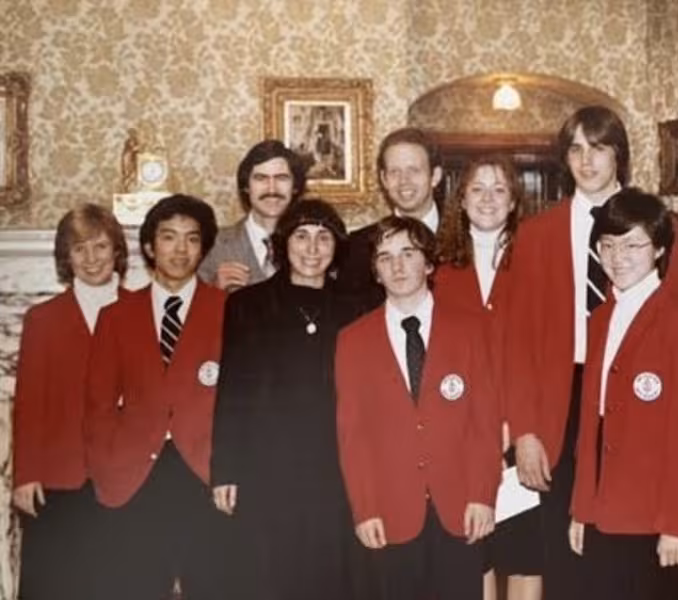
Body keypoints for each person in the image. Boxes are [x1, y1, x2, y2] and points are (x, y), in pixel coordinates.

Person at [504, 105, 678, 600]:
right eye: (576, 149)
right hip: (559, 408)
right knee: (567, 549)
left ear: (619, 155)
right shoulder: (537, 234)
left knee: (638, 557)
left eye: (599, 148)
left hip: (639, 405)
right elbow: (517, 345)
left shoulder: (656, 223)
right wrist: (524, 431)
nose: (586, 161)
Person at [335, 216, 501, 599]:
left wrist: (482, 494)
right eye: (385, 257)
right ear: (375, 271)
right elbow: (353, 435)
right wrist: (365, 509)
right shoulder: (353, 341)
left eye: (408, 253)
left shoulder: (471, 330)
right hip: (391, 510)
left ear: (429, 263)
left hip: (460, 506)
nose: (397, 266)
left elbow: (485, 423)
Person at [211, 199, 363, 600]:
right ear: (283, 243)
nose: (312, 248)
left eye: (323, 237)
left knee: (329, 579)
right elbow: (233, 391)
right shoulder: (247, 305)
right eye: (301, 236)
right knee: (268, 580)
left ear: (337, 248)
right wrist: (225, 469)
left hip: (334, 472)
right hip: (267, 471)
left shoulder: (357, 309)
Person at [567, 189, 678, 599]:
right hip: (604, 514)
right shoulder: (599, 320)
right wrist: (582, 509)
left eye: (633, 244)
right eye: (608, 245)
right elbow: (591, 423)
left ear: (660, 248)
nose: (618, 256)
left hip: (656, 521)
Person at [84, 194, 227, 600]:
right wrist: (105, 472)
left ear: (204, 248)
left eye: (192, 239)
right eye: (169, 237)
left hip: (204, 473)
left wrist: (232, 472)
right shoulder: (116, 318)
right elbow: (97, 406)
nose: (180, 250)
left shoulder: (230, 310)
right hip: (135, 475)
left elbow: (242, 404)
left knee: (211, 583)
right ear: (149, 246)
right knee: (139, 584)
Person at [433, 155, 542, 600]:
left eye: (500, 189)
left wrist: (516, 428)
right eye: (477, 189)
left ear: (515, 200)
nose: (488, 199)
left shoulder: (537, 262)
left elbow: (541, 355)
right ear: (460, 200)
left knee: (524, 554)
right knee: (474, 552)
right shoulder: (438, 268)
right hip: (461, 437)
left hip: (526, 435)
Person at [12, 204, 130, 600]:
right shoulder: (42, 320)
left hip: (125, 479)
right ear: (66, 257)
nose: (92, 259)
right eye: (79, 249)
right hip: (59, 479)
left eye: (100, 246)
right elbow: (28, 402)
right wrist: (25, 474)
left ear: (117, 250)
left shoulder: (142, 311)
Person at [337, 127, 443, 308]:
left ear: (435, 176)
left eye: (414, 170)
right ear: (384, 179)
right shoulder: (358, 247)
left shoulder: (467, 239)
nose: (404, 181)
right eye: (395, 172)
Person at [198, 139, 307, 291]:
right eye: (261, 178)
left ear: (295, 187)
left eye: (281, 178)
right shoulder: (212, 245)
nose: (271, 188)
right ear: (246, 187)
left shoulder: (315, 247)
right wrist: (214, 292)